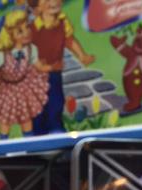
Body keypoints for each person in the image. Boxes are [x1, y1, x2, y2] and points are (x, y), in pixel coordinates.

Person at [27, 0, 96, 134]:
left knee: (56, 101)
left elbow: (69, 40)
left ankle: (56, 128)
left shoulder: (63, 22)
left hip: (55, 72)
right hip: (35, 76)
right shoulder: (33, 27)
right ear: (37, 7)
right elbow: (25, 49)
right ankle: (38, 133)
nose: (54, 2)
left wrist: (82, 55)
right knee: (37, 106)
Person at [0, 8, 50, 140]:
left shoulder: (31, 49)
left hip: (24, 86)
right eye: (20, 31)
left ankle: (29, 142)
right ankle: (3, 143)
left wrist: (50, 67)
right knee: (5, 120)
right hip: (7, 88)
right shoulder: (1, 54)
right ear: (9, 35)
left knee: (26, 118)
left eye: (27, 27)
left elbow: (38, 66)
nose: (26, 33)